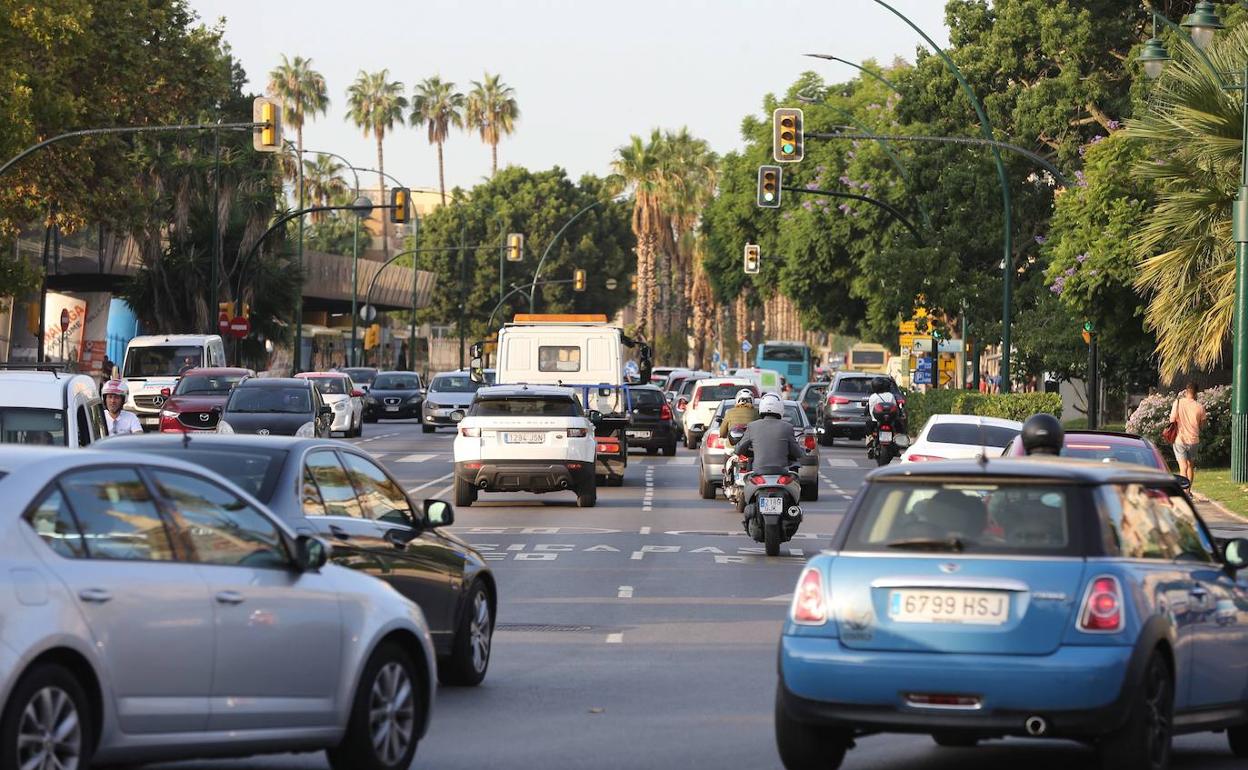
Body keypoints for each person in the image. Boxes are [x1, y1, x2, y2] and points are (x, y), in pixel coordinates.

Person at [735, 393, 803, 473]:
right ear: (780, 408)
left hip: (758, 474)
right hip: (781, 473)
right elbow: (798, 453)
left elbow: (738, 450)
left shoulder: (752, 426)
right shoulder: (787, 427)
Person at [1171, 382, 1207, 484]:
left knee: (1183, 467)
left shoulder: (1178, 403)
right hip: (1193, 440)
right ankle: (1188, 491)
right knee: (1190, 466)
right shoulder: (1200, 407)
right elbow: (1203, 425)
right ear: (1196, 393)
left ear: (1186, 391)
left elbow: (1172, 420)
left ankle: (1183, 490)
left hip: (1180, 439)